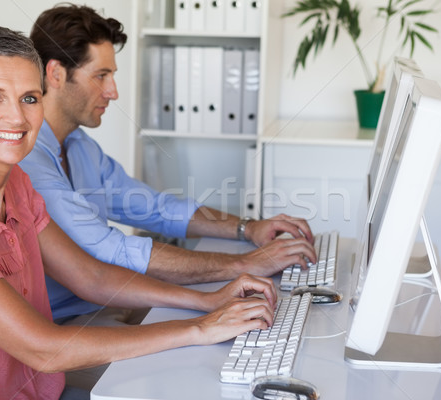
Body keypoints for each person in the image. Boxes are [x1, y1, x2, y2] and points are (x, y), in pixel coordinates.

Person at [0, 25, 278, 399]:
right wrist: (200, 328)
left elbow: (90, 275)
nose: (17, 118)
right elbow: (44, 347)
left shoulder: (17, 182)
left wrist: (206, 301)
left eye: (29, 99)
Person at [20, 4, 317, 323]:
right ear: (56, 74)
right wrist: (243, 263)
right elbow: (108, 249)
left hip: (104, 305)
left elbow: (156, 208)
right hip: (64, 324)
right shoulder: (27, 160)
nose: (113, 92)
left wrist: (247, 228)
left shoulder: (80, 147)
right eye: (101, 76)